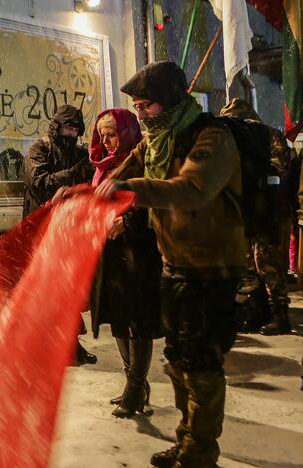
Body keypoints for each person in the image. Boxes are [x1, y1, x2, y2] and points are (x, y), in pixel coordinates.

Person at [96, 61, 247, 468]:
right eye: (138, 107)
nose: (141, 114)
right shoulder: (156, 140)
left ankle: (200, 452)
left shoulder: (211, 136)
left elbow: (194, 189)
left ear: (172, 101)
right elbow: (119, 173)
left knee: (202, 363)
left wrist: (131, 189)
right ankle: (186, 441)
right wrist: (79, 194)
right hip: (175, 264)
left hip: (213, 268)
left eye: (147, 106)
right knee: (178, 359)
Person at [88, 108, 162, 418]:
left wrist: (127, 222)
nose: (106, 142)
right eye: (102, 135)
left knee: (137, 321)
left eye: (112, 134)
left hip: (138, 252)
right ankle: (133, 383)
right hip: (110, 253)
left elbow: (155, 200)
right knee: (116, 316)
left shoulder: (143, 161)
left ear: (127, 131)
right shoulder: (101, 167)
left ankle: (136, 387)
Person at [22, 104, 97, 366]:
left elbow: (89, 185)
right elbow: (39, 182)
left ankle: (70, 345)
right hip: (43, 229)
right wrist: (72, 175)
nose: (72, 132)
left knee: (68, 291)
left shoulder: (78, 152)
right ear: (57, 126)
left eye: (76, 128)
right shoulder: (39, 149)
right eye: (67, 127)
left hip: (70, 229)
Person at [219, 98, 295, 335]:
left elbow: (280, 167)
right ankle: (258, 311)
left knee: (269, 264)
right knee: (249, 266)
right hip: (246, 210)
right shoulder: (230, 139)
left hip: (269, 210)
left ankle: (280, 316)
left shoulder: (268, 135)